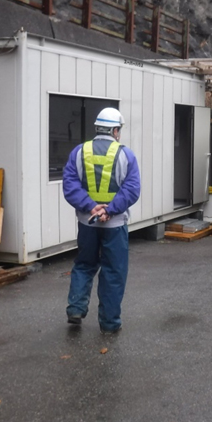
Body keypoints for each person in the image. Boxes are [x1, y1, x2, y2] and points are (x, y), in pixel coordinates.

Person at [63, 107, 141, 333]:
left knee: (85, 264)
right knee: (113, 271)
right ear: (115, 130)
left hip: (87, 222)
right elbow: (132, 189)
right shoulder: (126, 155)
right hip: (114, 225)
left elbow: (70, 185)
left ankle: (76, 309)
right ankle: (109, 323)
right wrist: (111, 210)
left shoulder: (79, 151)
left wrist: (90, 207)